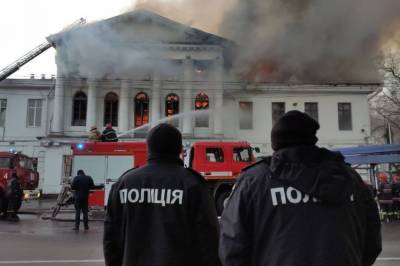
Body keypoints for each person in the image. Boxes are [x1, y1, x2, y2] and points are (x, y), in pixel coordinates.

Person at [219, 110, 382, 266]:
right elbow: (371, 243)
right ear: (312, 138)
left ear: (276, 142)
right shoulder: (349, 178)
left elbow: (232, 247)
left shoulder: (253, 182)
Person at [104, 123, 220, 266]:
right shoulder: (193, 184)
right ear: (180, 149)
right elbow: (209, 240)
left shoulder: (124, 183)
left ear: (149, 149)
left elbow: (111, 240)